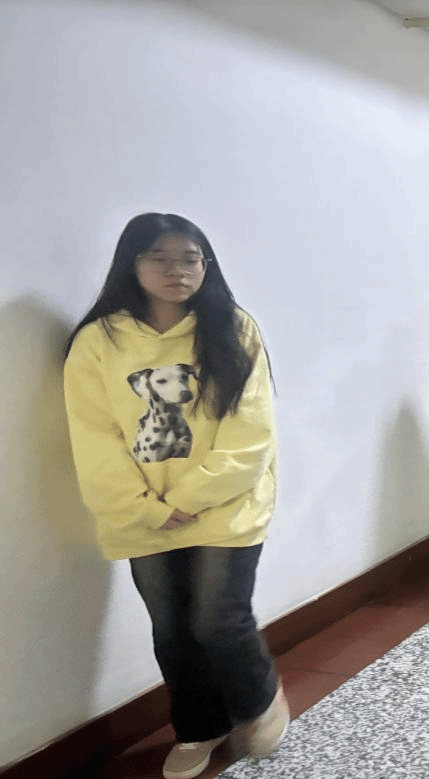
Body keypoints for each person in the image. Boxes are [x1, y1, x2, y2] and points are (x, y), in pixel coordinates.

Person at [63, 213, 288, 779]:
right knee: (172, 629)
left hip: (226, 503)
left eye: (190, 258)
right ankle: (199, 727)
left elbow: (252, 430)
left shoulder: (233, 327)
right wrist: (145, 508)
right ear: (131, 264)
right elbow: (94, 437)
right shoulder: (98, 341)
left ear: (206, 265)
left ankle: (257, 699)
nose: (177, 270)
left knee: (218, 618)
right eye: (159, 258)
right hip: (141, 512)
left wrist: (190, 497)